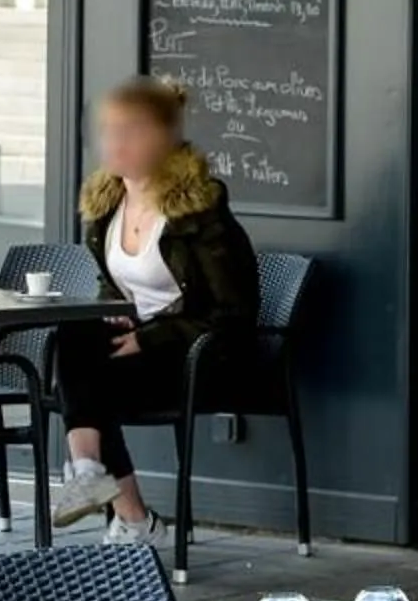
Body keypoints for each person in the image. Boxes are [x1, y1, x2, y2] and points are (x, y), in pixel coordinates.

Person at [46, 78, 263, 546]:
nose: (115, 142)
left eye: (130, 131)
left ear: (163, 139)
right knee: (74, 335)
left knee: (89, 384)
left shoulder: (199, 212)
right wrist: (116, 314)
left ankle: (130, 516)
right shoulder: (106, 208)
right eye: (109, 130)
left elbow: (235, 312)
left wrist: (148, 337)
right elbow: (113, 286)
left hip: (194, 355)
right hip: (135, 346)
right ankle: (89, 472)